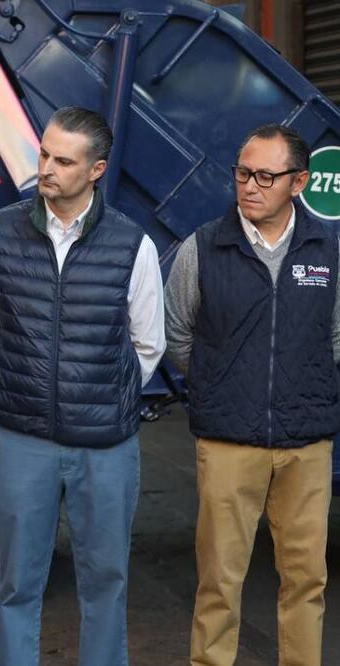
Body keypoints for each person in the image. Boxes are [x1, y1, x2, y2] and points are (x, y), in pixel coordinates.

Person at [0, 106, 165, 666]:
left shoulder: (133, 245)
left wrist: (101, 399)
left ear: (97, 170)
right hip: (20, 439)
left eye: (63, 160)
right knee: (16, 587)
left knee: (106, 586)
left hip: (106, 447)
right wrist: (24, 393)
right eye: (44, 154)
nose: (47, 168)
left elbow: (148, 344)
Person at [165, 124, 338, 666]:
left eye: (266, 175)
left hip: (306, 445)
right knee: (219, 582)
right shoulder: (202, 248)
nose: (250, 186)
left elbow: (334, 340)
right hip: (227, 444)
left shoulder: (329, 251)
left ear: (299, 182)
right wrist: (225, 386)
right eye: (243, 173)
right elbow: (178, 337)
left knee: (306, 581)